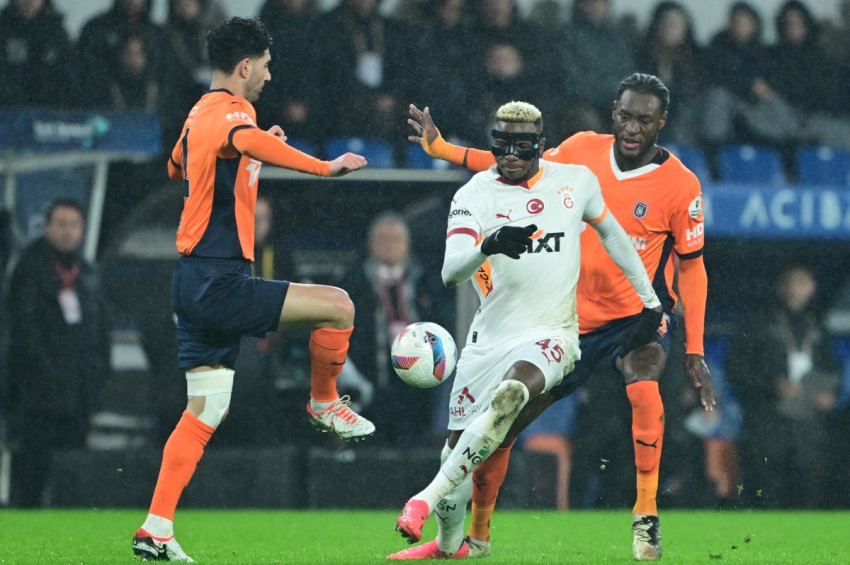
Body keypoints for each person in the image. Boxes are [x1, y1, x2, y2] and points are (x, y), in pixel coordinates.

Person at [395, 73, 714, 561]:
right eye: (626, 116)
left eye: (644, 120)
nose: (632, 128)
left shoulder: (681, 184)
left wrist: (694, 348)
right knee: (501, 426)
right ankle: (475, 539)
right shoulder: (583, 152)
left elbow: (692, 269)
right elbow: (516, 162)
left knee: (644, 385)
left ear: (662, 123)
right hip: (567, 322)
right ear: (614, 111)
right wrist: (445, 151)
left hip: (636, 319)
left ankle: (645, 518)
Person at [131, 17, 373, 562]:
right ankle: (325, 402)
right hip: (220, 278)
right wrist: (323, 166)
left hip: (190, 279)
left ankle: (156, 528)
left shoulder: (200, 110)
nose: (268, 73)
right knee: (339, 307)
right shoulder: (236, 113)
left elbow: (179, 168)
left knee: (205, 409)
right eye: (264, 64)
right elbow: (240, 137)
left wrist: (255, 152)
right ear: (245, 66)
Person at [3, 199, 110, 507]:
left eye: (74, 225)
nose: (67, 232)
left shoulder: (87, 274)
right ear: (46, 227)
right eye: (61, 224)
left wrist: (96, 378)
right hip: (36, 399)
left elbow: (100, 333)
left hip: (77, 398)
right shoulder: (29, 271)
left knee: (72, 479)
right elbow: (22, 334)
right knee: (31, 477)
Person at [725, 262, 839, 508]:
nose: (794, 289)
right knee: (765, 488)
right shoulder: (757, 322)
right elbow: (736, 368)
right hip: (767, 421)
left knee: (808, 486)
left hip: (808, 421)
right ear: (779, 287)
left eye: (801, 283)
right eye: (789, 282)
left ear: (812, 288)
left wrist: (830, 395)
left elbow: (833, 370)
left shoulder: (818, 325)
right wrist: (770, 385)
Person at [342, 212, 453, 446]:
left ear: (407, 244)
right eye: (383, 239)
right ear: (370, 244)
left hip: (418, 388)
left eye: (396, 239)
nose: (390, 245)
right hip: (370, 384)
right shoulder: (353, 282)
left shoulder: (427, 281)